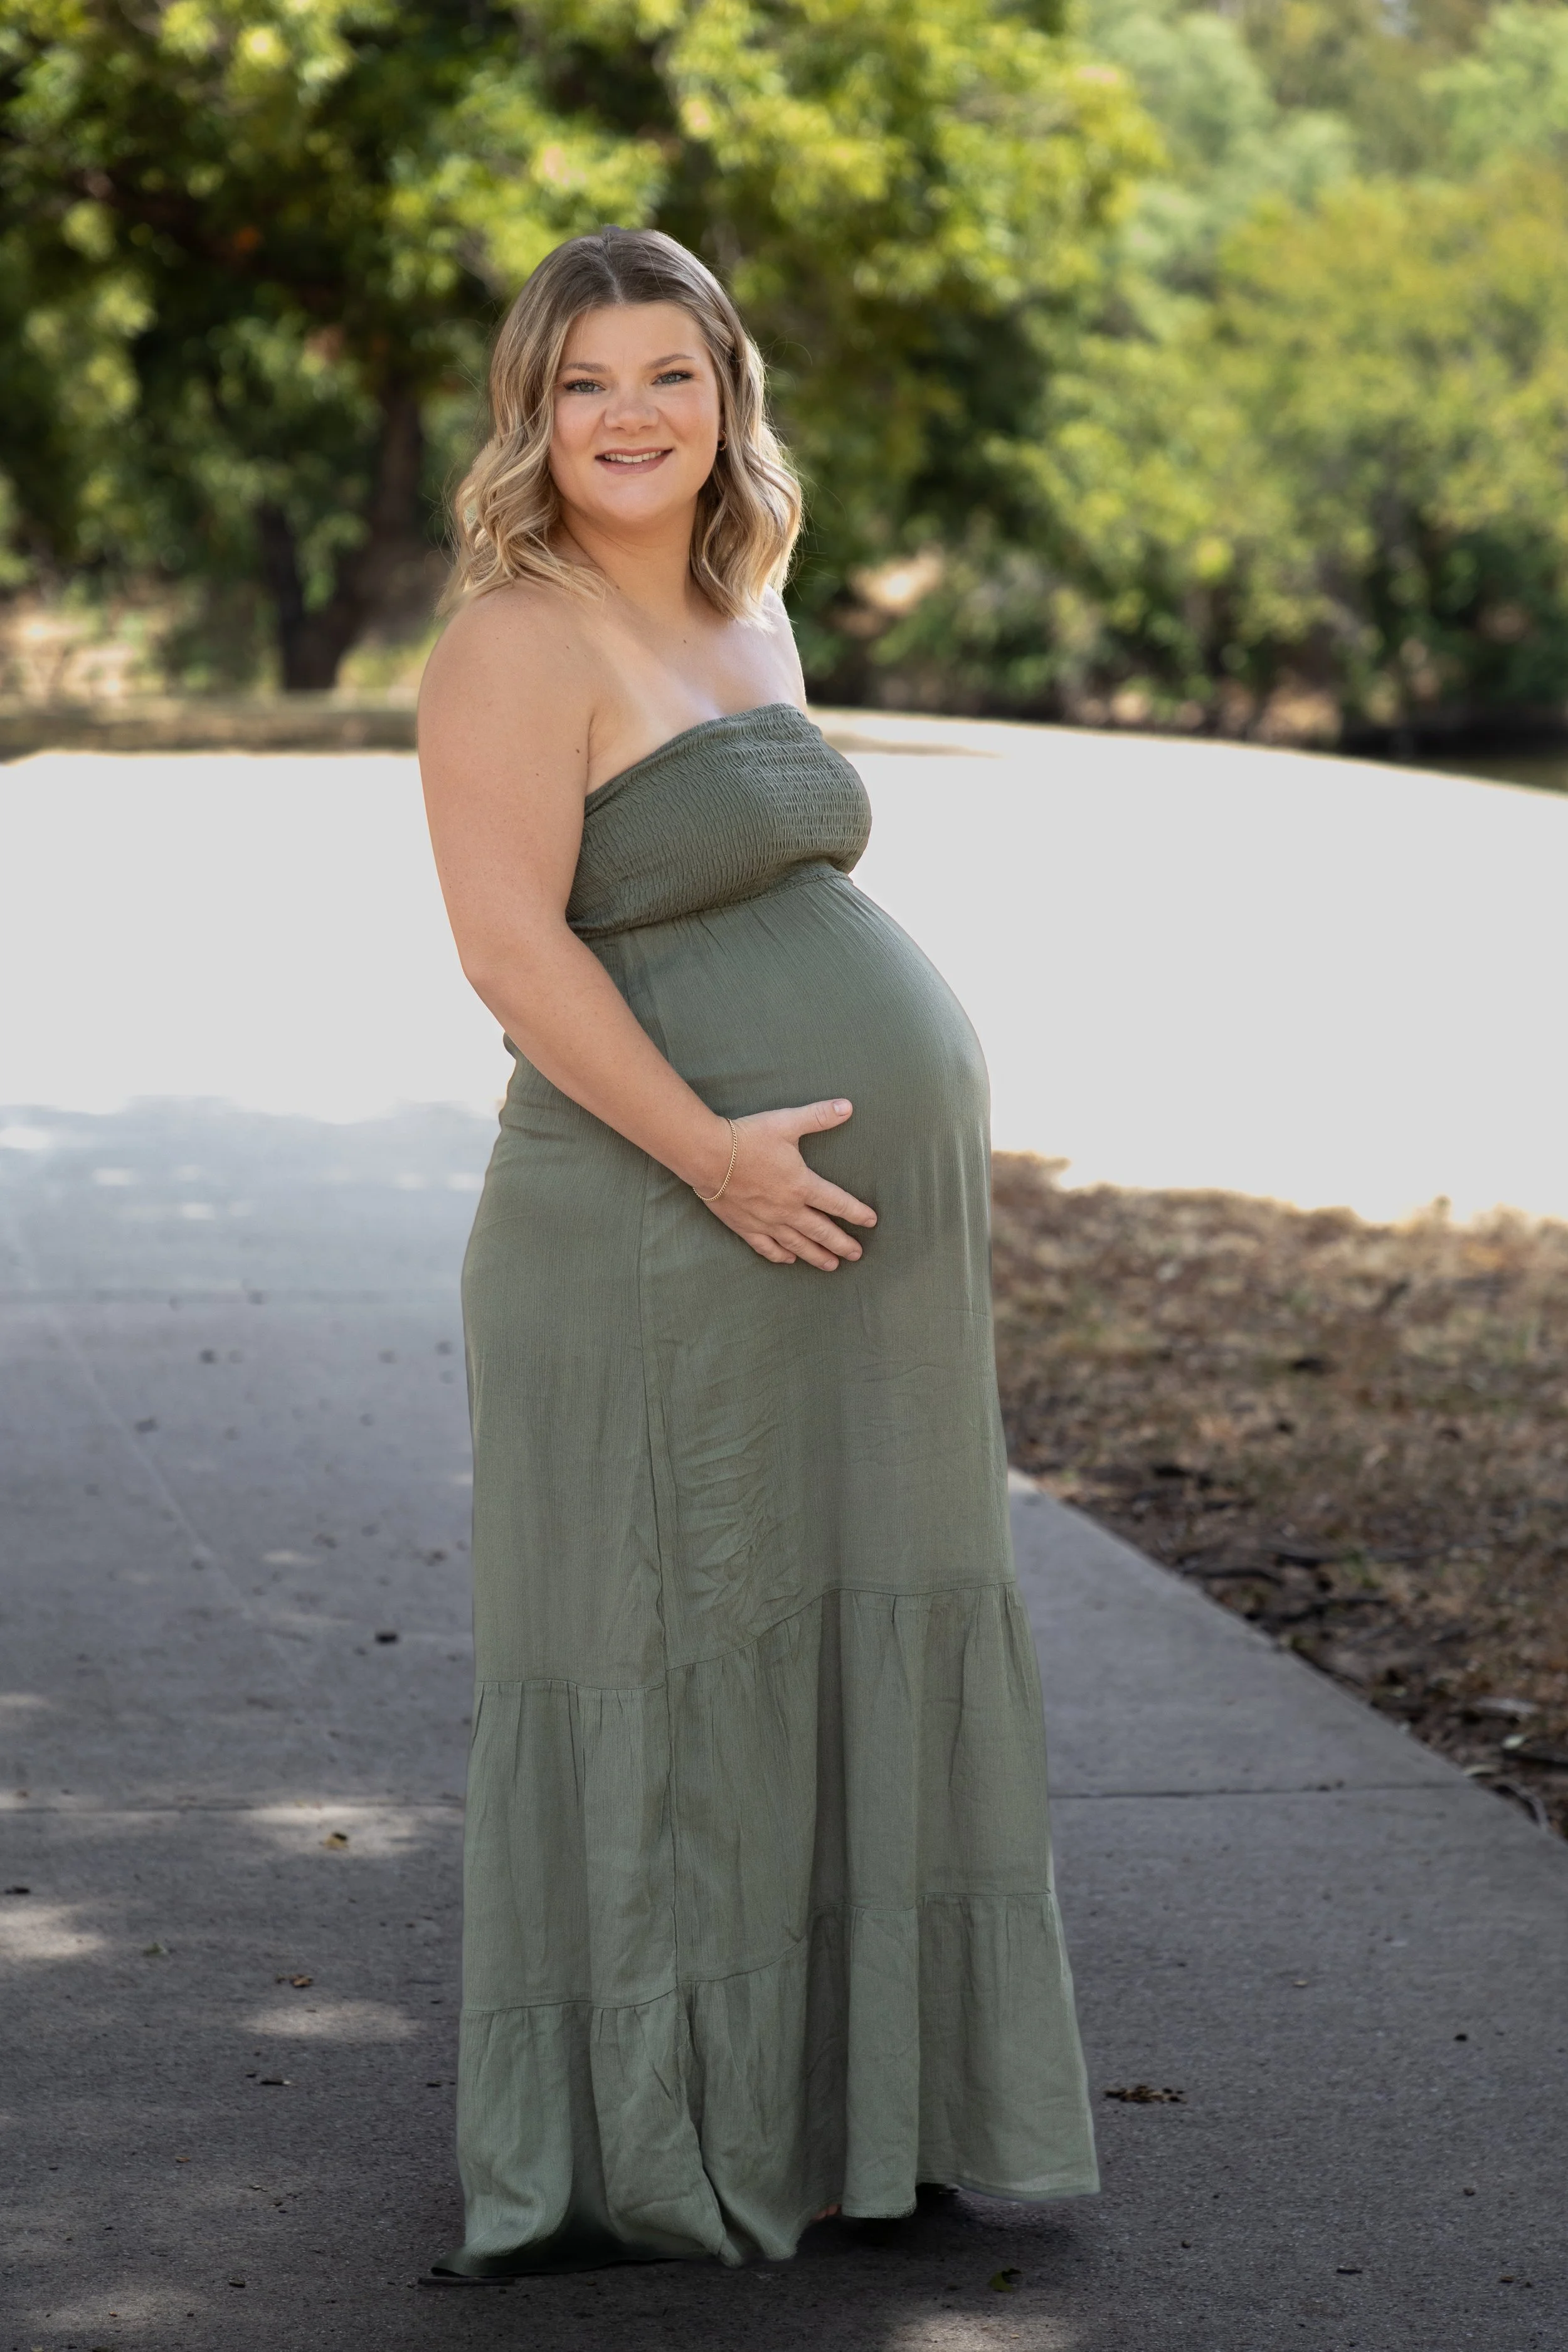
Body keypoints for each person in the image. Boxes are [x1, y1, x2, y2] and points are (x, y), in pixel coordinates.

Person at [416, 225, 1097, 2280]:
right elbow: (510, 953)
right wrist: (714, 1156)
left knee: (831, 1628)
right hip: (647, 1233)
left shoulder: (744, 601)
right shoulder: (513, 638)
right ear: (532, 415)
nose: (630, 416)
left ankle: (852, 2112)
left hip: (842, 1264)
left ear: (729, 400)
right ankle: (656, 2133)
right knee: (672, 1649)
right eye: (585, 382)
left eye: (670, 377)